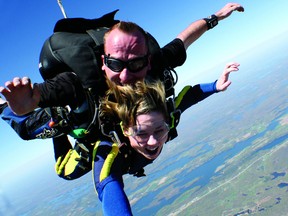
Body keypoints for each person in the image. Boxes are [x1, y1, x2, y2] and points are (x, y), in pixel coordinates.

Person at [0, 3, 243, 178]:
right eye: (116, 65)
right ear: (104, 62)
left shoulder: (156, 65)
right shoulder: (76, 84)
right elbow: (38, 95)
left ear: (147, 61)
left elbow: (184, 39)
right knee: (65, 168)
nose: (125, 75)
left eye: (135, 64)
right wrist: (24, 106)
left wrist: (217, 16)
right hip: (75, 109)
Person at [91, 61, 239, 215]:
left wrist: (216, 85)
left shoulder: (168, 120)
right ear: (125, 130)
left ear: (167, 122)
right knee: (67, 171)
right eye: (141, 133)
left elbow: (190, 95)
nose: (153, 141)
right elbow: (108, 187)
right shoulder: (108, 151)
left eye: (159, 130)